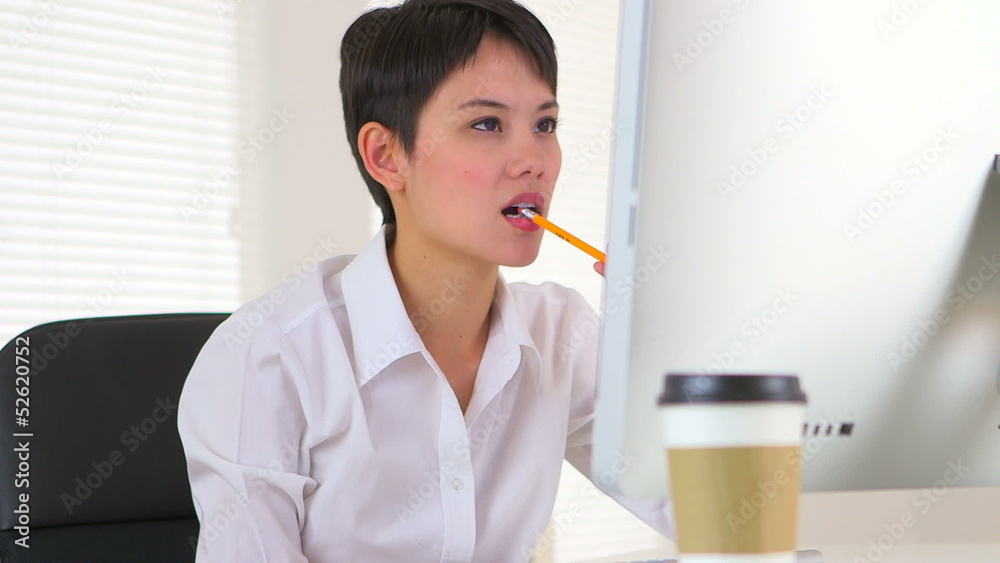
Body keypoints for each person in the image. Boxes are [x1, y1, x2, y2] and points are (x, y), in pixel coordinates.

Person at [177, 0, 674, 560]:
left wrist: (682, 335)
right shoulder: (266, 359)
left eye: (545, 124)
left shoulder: (563, 336)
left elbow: (734, 508)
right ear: (387, 155)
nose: (533, 159)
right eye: (486, 124)